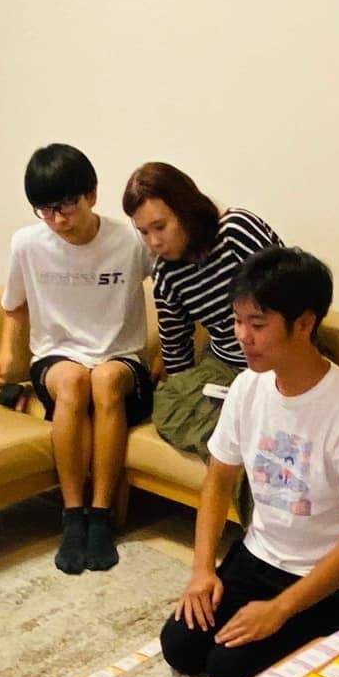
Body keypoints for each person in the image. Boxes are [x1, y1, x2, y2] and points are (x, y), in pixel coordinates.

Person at [161, 248, 339, 677]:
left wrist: (280, 609)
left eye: (258, 324)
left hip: (331, 578)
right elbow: (218, 482)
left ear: (304, 324)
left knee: (229, 669)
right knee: (181, 646)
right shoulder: (248, 386)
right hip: (259, 554)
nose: (242, 336)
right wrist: (202, 570)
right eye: (237, 321)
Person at [0, 144, 154, 575]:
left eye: (66, 205)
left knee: (104, 379)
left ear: (91, 195)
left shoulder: (131, 241)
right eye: (45, 210)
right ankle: (73, 514)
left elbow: (175, 276)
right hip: (57, 357)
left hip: (121, 357)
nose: (58, 220)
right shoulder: (27, 244)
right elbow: (14, 305)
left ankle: (101, 515)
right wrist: (6, 351)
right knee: (76, 380)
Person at [121, 162, 283, 459]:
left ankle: (248, 444)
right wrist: (186, 390)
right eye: (143, 232)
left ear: (185, 210)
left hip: (278, 356)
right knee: (169, 403)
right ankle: (243, 439)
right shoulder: (166, 273)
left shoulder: (235, 231)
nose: (154, 242)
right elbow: (176, 349)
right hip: (224, 365)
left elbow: (289, 292)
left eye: (160, 227)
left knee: (270, 403)